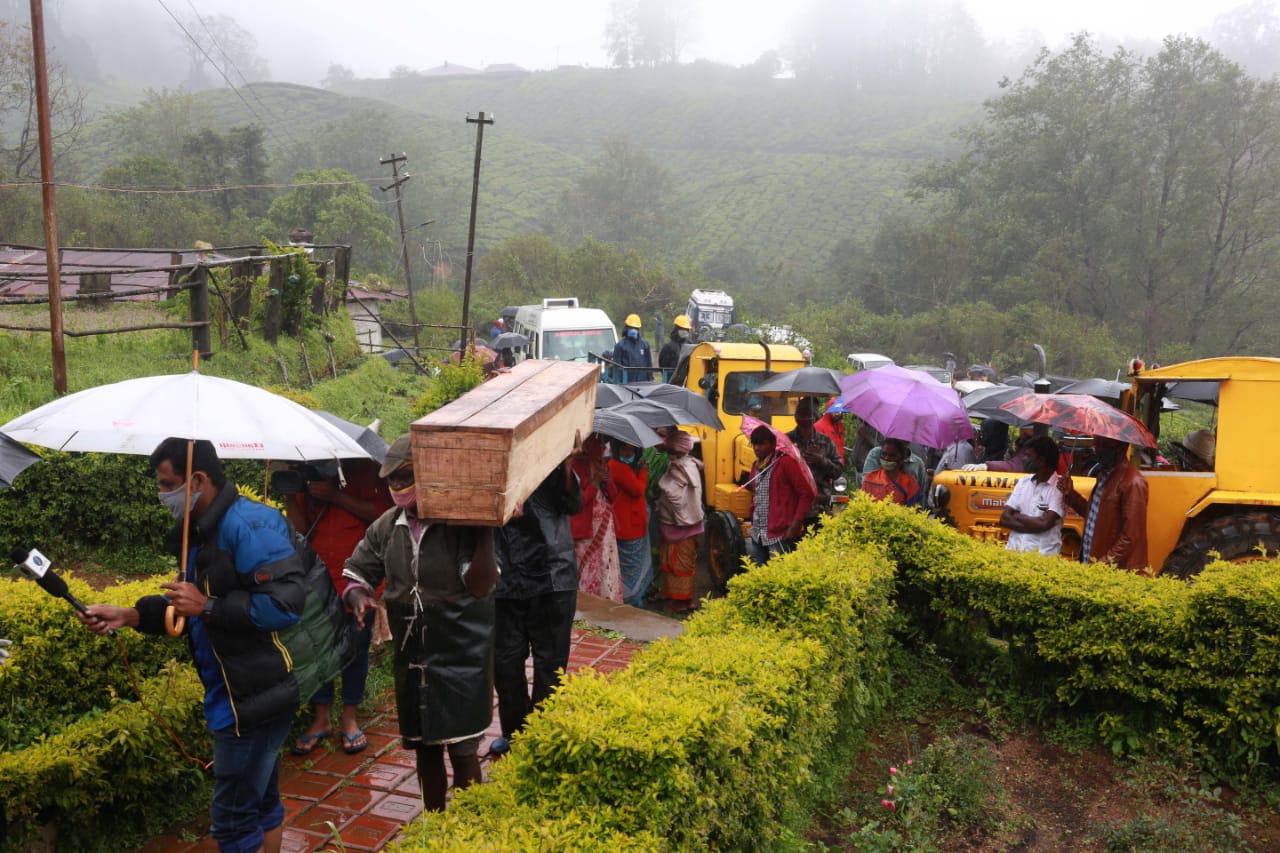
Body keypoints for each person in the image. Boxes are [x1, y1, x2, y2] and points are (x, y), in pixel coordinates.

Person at [78, 437, 307, 853]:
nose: (162, 494)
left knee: (234, 822)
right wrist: (129, 615)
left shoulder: (247, 525)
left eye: (168, 484)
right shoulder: (201, 531)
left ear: (198, 479)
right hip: (239, 691)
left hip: (250, 699)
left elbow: (286, 604)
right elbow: (187, 610)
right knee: (262, 803)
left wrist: (209, 607)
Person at [341, 435, 498, 811]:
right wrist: (359, 598)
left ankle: (469, 826)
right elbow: (356, 572)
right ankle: (435, 823)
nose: (397, 489)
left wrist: (485, 528)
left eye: (405, 478)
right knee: (425, 750)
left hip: (462, 650)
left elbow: (480, 585)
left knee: (463, 750)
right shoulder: (386, 526)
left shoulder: (460, 522)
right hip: (413, 655)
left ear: (429, 475)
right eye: (392, 481)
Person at [287, 457, 392, 756]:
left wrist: (337, 496)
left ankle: (349, 718)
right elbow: (300, 529)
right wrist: (290, 491)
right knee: (317, 652)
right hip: (316, 583)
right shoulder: (305, 472)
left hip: (357, 583)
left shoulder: (366, 470)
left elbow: (381, 515)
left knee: (355, 652)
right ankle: (321, 720)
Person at [491, 448, 583, 756]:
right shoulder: (487, 463)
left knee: (550, 663)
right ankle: (515, 732)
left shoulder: (550, 456)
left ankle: (541, 736)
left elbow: (572, 503)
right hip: (503, 578)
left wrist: (567, 464)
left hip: (552, 576)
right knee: (505, 663)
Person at [1057, 435, 1149, 571]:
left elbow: (1131, 535)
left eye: (1103, 446)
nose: (1097, 450)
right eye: (1096, 444)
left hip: (1114, 570)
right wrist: (1071, 494)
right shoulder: (1103, 475)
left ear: (1120, 448)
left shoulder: (1133, 483)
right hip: (1095, 562)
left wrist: (1103, 564)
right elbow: (1095, 516)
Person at [745, 425, 817, 565]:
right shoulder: (756, 466)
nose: (757, 448)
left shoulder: (785, 463)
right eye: (754, 444)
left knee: (779, 580)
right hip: (758, 534)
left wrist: (795, 525)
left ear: (772, 444)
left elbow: (807, 494)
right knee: (760, 579)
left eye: (761, 443)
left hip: (780, 535)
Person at [656, 430, 705, 612]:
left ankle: (682, 602)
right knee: (675, 562)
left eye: (670, 451)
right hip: (681, 524)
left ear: (679, 450)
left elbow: (674, 495)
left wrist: (663, 488)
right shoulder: (685, 465)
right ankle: (679, 599)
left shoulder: (683, 468)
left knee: (680, 564)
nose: (668, 455)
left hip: (682, 525)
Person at [570, 433, 622, 602]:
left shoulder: (600, 464)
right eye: (598, 442)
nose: (602, 447)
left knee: (606, 565)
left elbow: (613, 496)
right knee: (588, 568)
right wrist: (594, 483)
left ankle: (609, 600)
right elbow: (577, 503)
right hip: (587, 530)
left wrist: (607, 480)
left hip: (605, 527)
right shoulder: (575, 466)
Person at [999, 436, 1065, 555]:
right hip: (1013, 553)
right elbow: (1004, 519)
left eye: (1029, 456)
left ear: (1041, 460)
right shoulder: (1023, 482)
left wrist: (1017, 516)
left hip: (1042, 557)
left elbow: (1044, 524)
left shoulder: (1059, 488)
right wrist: (1036, 526)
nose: (1024, 459)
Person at [787, 397, 844, 525]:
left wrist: (821, 461)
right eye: (800, 413)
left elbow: (838, 471)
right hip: (793, 507)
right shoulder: (787, 441)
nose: (803, 417)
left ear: (814, 417)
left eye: (807, 414)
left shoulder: (825, 442)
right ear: (796, 416)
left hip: (820, 508)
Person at [608, 439, 651, 607]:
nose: (629, 454)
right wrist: (644, 472)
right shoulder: (618, 467)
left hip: (626, 523)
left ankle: (628, 599)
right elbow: (637, 490)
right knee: (629, 569)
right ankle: (630, 602)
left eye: (632, 451)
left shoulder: (615, 465)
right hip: (628, 526)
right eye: (625, 450)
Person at [861, 438, 922, 507]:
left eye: (892, 456)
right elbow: (862, 506)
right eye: (884, 454)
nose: (887, 458)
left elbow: (912, 511)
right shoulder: (869, 478)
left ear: (901, 459)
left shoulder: (910, 483)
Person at [611, 314, 653, 382]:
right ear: (627, 328)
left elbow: (649, 365)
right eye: (631, 327)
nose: (633, 330)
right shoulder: (620, 346)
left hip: (643, 382)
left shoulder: (645, 345)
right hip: (626, 383)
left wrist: (650, 379)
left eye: (635, 328)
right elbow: (617, 368)